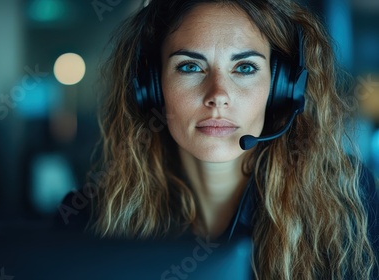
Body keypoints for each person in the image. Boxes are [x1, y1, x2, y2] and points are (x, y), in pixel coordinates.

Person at [55, 0, 379, 278]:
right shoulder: (91, 220)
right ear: (152, 87)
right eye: (191, 66)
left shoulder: (347, 202)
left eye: (245, 68)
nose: (218, 96)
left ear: (282, 89)